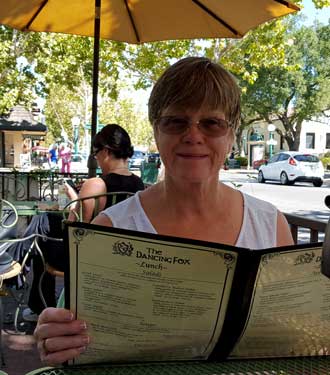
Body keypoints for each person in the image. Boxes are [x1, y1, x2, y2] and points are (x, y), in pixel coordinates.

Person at [34, 57, 293, 364]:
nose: (193, 135)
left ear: (232, 134)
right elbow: (69, 331)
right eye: (176, 121)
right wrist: (56, 337)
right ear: (156, 131)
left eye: (211, 123)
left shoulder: (269, 224)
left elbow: (288, 328)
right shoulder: (109, 229)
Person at [21, 124, 144, 321]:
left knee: (39, 244)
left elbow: (73, 229)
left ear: (105, 151)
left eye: (96, 153)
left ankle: (39, 306)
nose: (95, 158)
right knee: (42, 225)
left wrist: (72, 195)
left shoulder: (96, 184)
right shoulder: (139, 185)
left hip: (87, 260)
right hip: (124, 258)